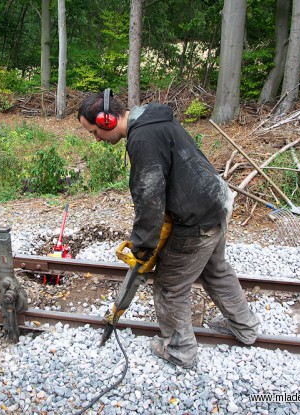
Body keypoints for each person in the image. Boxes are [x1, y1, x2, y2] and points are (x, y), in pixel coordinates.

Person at [77, 89, 260, 368]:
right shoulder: (155, 119)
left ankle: (179, 350)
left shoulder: (142, 138)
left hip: (195, 215)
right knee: (216, 270)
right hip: (215, 201)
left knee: (170, 285)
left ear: (107, 121)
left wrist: (142, 246)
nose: (97, 138)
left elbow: (149, 197)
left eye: (94, 132)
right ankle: (245, 328)